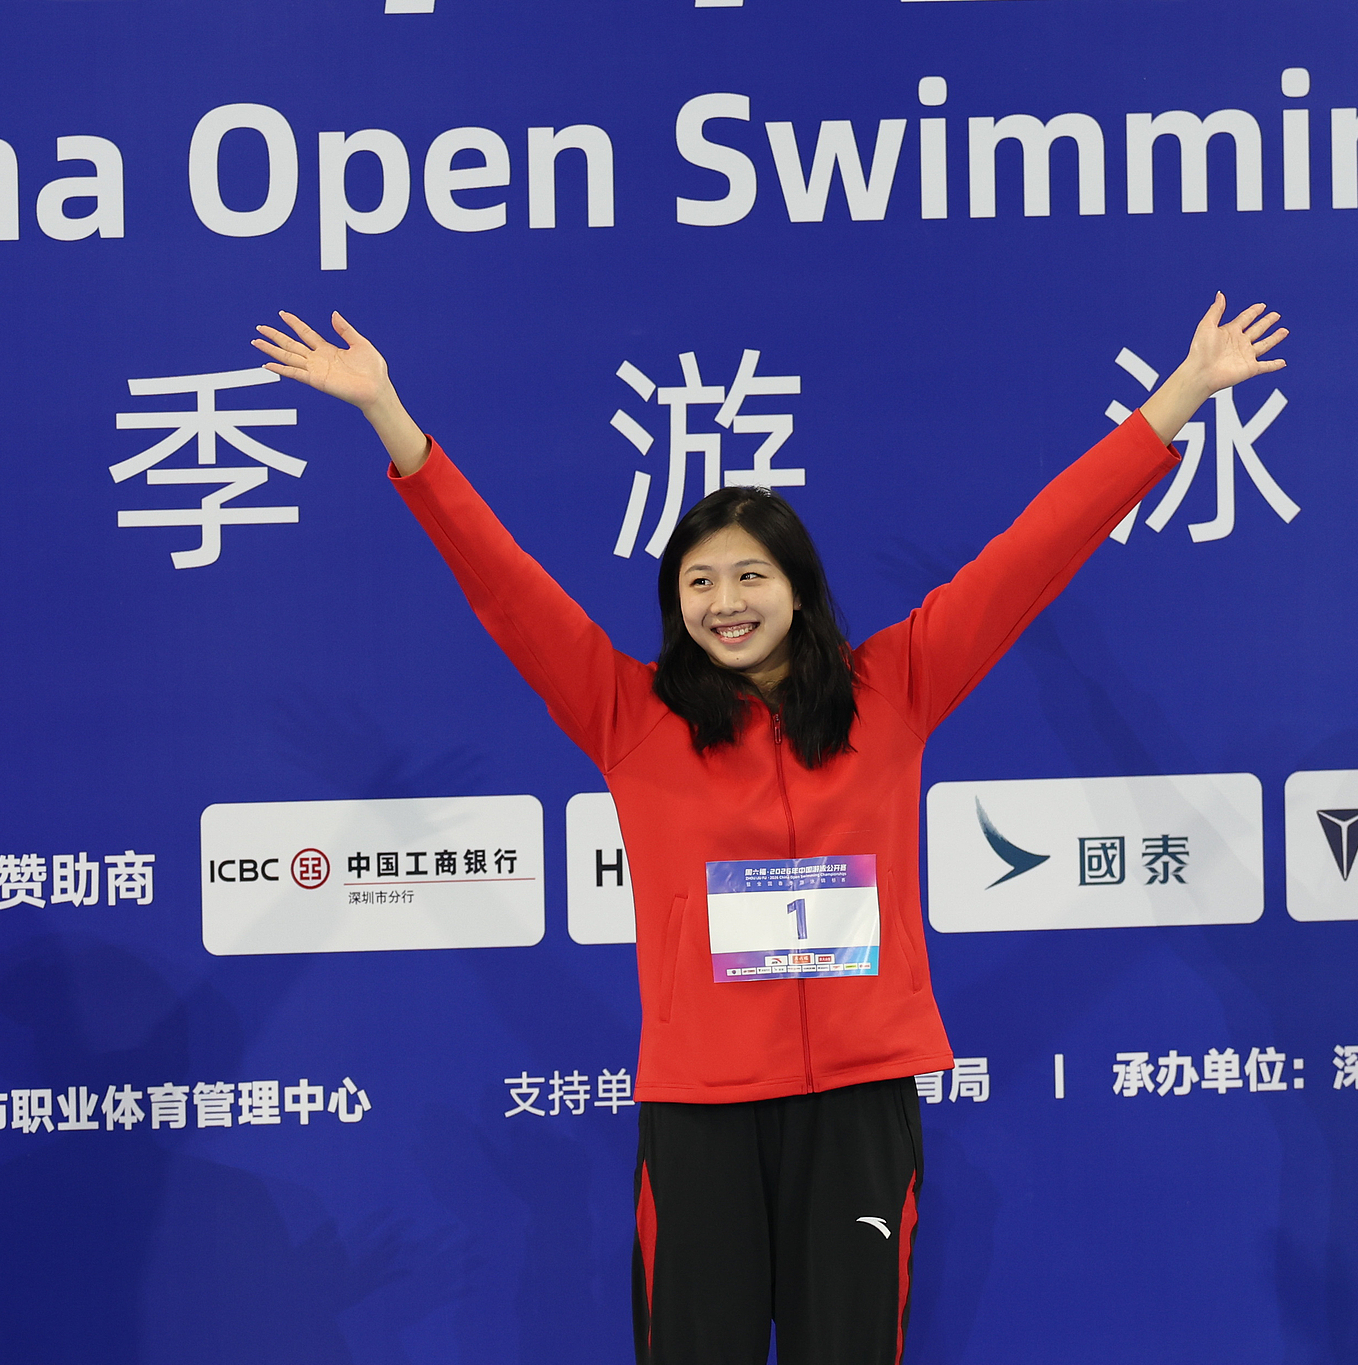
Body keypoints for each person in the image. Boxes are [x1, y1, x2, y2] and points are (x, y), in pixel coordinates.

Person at [250, 296, 1287, 1365]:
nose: (725, 601)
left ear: (797, 588)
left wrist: (1180, 397)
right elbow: (503, 583)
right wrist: (387, 412)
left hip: (856, 1110)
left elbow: (1034, 551)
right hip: (700, 1113)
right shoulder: (629, 717)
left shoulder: (898, 685)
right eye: (698, 582)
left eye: (751, 575)